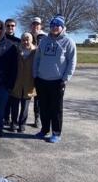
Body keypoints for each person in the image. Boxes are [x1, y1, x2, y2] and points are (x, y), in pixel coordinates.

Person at [33, 15, 77, 143]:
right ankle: (44, 129)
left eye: (57, 25)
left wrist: (65, 79)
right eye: (52, 25)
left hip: (57, 81)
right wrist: (35, 74)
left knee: (56, 108)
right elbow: (37, 59)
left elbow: (72, 62)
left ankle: (56, 132)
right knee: (43, 107)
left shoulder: (68, 42)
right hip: (42, 80)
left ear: (62, 27)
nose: (54, 28)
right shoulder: (44, 41)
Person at [9, 32, 36, 133]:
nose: (25, 41)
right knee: (14, 105)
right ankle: (14, 123)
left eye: (27, 39)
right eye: (23, 39)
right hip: (17, 82)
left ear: (31, 40)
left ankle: (22, 124)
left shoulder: (36, 51)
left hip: (29, 83)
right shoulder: (16, 50)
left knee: (25, 107)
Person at [3, 18, 21, 126]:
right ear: (5, 27)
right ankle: (5, 117)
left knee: (13, 98)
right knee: (4, 98)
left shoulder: (19, 41)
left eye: (12, 25)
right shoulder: (1, 39)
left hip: (15, 72)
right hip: (2, 72)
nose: (10, 27)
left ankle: (13, 119)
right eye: (8, 25)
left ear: (15, 27)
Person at [30, 16, 47, 128]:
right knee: (25, 96)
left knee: (38, 97)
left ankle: (37, 118)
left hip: (40, 72)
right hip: (28, 71)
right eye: (34, 24)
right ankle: (21, 117)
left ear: (40, 25)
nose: (36, 26)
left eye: (38, 24)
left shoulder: (45, 37)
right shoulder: (28, 36)